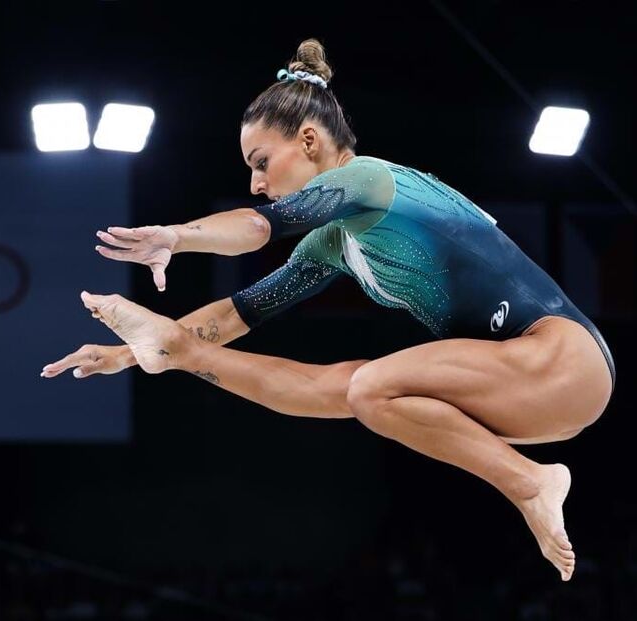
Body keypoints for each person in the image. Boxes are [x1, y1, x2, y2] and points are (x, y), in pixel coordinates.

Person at [40, 39, 615, 582]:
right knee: (345, 391)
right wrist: (126, 355)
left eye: (261, 161)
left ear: (310, 142)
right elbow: (242, 313)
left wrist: (176, 235)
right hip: (532, 397)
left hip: (560, 357)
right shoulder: (335, 242)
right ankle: (177, 352)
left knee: (370, 387)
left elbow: (255, 228)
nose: (257, 181)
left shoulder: (369, 180)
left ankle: (530, 482)